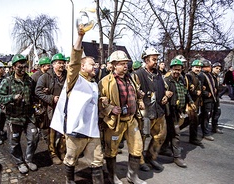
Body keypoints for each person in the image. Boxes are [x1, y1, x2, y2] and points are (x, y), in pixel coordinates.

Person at [50, 27, 104, 184]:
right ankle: (70, 180)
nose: (95, 67)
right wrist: (80, 37)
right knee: (71, 158)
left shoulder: (94, 84)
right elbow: (74, 60)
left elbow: (94, 104)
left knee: (97, 160)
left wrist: (106, 106)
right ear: (82, 67)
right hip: (75, 129)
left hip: (92, 130)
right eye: (91, 65)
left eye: (95, 65)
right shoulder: (74, 79)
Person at [99, 50, 146, 184]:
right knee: (111, 150)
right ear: (113, 65)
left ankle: (133, 176)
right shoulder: (105, 82)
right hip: (115, 122)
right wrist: (110, 108)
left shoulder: (131, 78)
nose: (125, 66)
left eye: (126, 63)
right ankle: (112, 177)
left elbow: (136, 94)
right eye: (121, 64)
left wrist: (139, 98)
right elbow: (98, 101)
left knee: (137, 147)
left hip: (131, 120)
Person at [0, 54, 39, 174]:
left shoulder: (29, 80)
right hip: (13, 118)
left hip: (28, 116)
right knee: (14, 143)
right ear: (14, 67)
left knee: (34, 137)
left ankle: (29, 159)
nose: (22, 69)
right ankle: (19, 162)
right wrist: (12, 97)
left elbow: (33, 95)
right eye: (19, 67)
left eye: (24, 67)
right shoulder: (7, 81)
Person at [133, 47, 171, 171]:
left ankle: (151, 157)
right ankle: (140, 160)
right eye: (153, 59)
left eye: (156, 59)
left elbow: (165, 87)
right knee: (142, 137)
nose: (156, 62)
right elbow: (133, 91)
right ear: (146, 60)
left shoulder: (159, 74)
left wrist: (166, 95)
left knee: (160, 136)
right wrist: (139, 100)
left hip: (159, 110)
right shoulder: (138, 74)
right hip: (145, 113)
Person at [163, 58, 196, 168]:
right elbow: (159, 93)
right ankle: (177, 157)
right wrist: (165, 94)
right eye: (175, 69)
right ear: (171, 69)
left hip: (178, 111)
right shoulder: (167, 80)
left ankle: (163, 149)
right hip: (170, 111)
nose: (177, 71)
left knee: (170, 132)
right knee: (176, 134)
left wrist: (191, 102)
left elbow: (186, 93)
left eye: (179, 69)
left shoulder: (181, 80)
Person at [35, 54, 67, 165]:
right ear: (53, 64)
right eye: (59, 62)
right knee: (51, 132)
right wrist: (52, 98)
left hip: (65, 107)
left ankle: (62, 151)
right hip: (52, 108)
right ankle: (53, 153)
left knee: (64, 131)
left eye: (63, 62)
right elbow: (38, 91)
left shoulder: (67, 75)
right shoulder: (45, 77)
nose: (62, 65)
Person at [181, 60, 204, 146]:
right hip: (191, 101)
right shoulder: (189, 75)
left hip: (196, 101)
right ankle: (193, 138)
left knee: (189, 120)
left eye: (199, 67)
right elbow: (188, 89)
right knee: (194, 120)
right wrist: (195, 92)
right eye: (196, 67)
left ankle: (175, 130)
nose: (198, 69)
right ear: (192, 67)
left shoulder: (197, 76)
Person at [198, 59, 216, 141]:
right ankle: (205, 133)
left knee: (206, 115)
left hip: (211, 98)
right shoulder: (202, 75)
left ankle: (197, 125)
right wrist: (206, 93)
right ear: (204, 67)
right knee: (206, 115)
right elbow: (200, 86)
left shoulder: (209, 75)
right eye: (209, 66)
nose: (210, 68)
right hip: (206, 99)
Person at [211, 62, 223, 134]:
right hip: (211, 97)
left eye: (219, 69)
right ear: (213, 68)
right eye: (216, 68)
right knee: (207, 114)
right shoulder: (210, 76)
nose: (218, 70)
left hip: (216, 96)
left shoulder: (217, 77)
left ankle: (214, 127)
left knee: (217, 112)